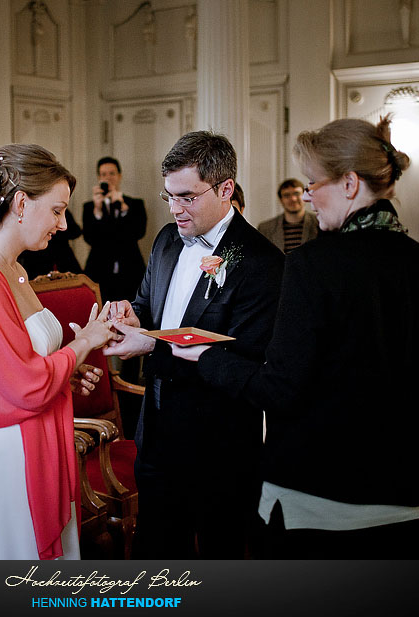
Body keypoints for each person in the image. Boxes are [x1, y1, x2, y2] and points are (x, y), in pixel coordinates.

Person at [170, 116, 419, 559]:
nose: (308, 195)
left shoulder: (312, 266)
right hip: (413, 492)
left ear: (350, 183)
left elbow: (281, 390)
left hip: (321, 493)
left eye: (314, 183)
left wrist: (208, 358)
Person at [103, 130, 285, 559]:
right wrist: (134, 315)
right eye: (168, 196)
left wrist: (150, 347)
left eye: (186, 197)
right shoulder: (167, 239)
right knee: (158, 549)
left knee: (219, 550)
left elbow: (243, 357)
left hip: (218, 439)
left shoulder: (261, 262)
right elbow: (150, 305)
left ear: (225, 189)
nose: (174, 209)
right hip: (157, 424)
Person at [0, 144, 115, 560]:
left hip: (29, 441)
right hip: (1, 459)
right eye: (56, 210)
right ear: (20, 203)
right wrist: (84, 342)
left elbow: (13, 363)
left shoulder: (13, 268)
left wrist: (64, 373)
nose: (63, 223)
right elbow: (22, 384)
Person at [82, 156, 147, 303]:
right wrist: (97, 212)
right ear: (99, 177)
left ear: (119, 175)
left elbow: (139, 232)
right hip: (100, 272)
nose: (108, 178)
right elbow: (89, 238)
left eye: (112, 173)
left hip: (130, 271)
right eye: (104, 174)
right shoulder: (90, 207)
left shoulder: (135, 204)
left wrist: (123, 209)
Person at [257, 178, 318, 253]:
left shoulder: (318, 224)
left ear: (304, 196)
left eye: (296, 193)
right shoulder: (265, 229)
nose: (293, 199)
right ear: (281, 200)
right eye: (286, 195)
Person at [18, 208, 83, 278]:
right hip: (36, 260)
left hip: (62, 256)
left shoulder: (60, 210)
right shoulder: (27, 213)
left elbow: (76, 232)